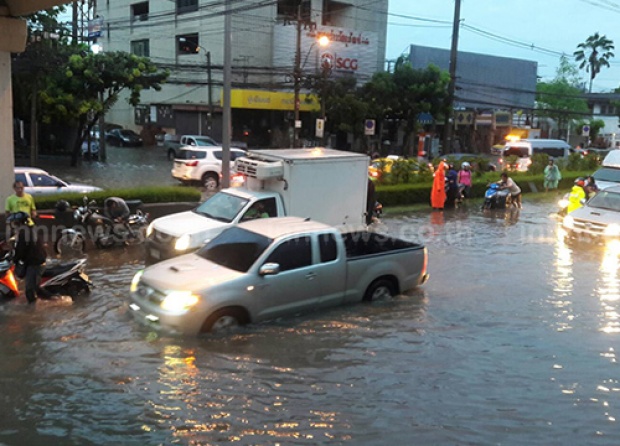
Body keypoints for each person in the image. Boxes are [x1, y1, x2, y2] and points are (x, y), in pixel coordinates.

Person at [9, 212, 51, 304]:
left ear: (18, 223)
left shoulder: (23, 233)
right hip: (35, 261)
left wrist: (14, 259)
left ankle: (35, 309)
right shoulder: (30, 229)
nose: (13, 226)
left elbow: (20, 250)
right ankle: (50, 300)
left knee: (30, 291)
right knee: (35, 287)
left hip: (35, 263)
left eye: (14, 223)